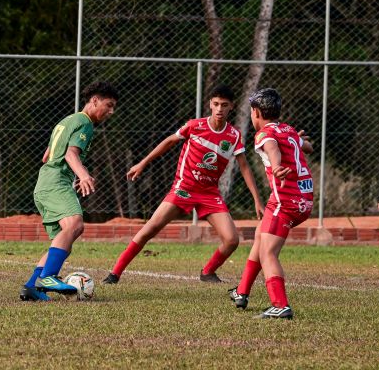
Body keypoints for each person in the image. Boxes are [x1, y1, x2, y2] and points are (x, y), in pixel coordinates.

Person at [103, 85, 264, 285]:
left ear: (231, 107)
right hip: (184, 189)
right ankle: (115, 273)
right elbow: (169, 141)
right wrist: (142, 163)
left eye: (224, 105)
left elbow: (245, 167)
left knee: (232, 240)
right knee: (149, 229)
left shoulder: (234, 135)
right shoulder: (195, 126)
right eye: (216, 104)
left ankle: (207, 272)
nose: (219, 109)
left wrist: (257, 200)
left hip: (208, 194)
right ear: (210, 105)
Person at [20, 81, 119, 301]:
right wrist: (83, 175)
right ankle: (48, 277)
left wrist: (70, 176)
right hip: (55, 182)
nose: (111, 111)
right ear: (94, 100)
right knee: (75, 224)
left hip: (46, 183)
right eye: (108, 105)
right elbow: (70, 154)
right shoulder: (85, 123)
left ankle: (31, 287)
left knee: (64, 242)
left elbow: (47, 155)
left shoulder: (66, 121)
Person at [228, 88, 314, 319]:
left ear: (256, 112)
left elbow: (273, 149)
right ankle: (241, 292)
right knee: (260, 237)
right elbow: (308, 147)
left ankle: (280, 305)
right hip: (304, 200)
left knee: (268, 252)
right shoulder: (288, 129)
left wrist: (276, 166)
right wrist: (299, 141)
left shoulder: (263, 134)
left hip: (285, 201)